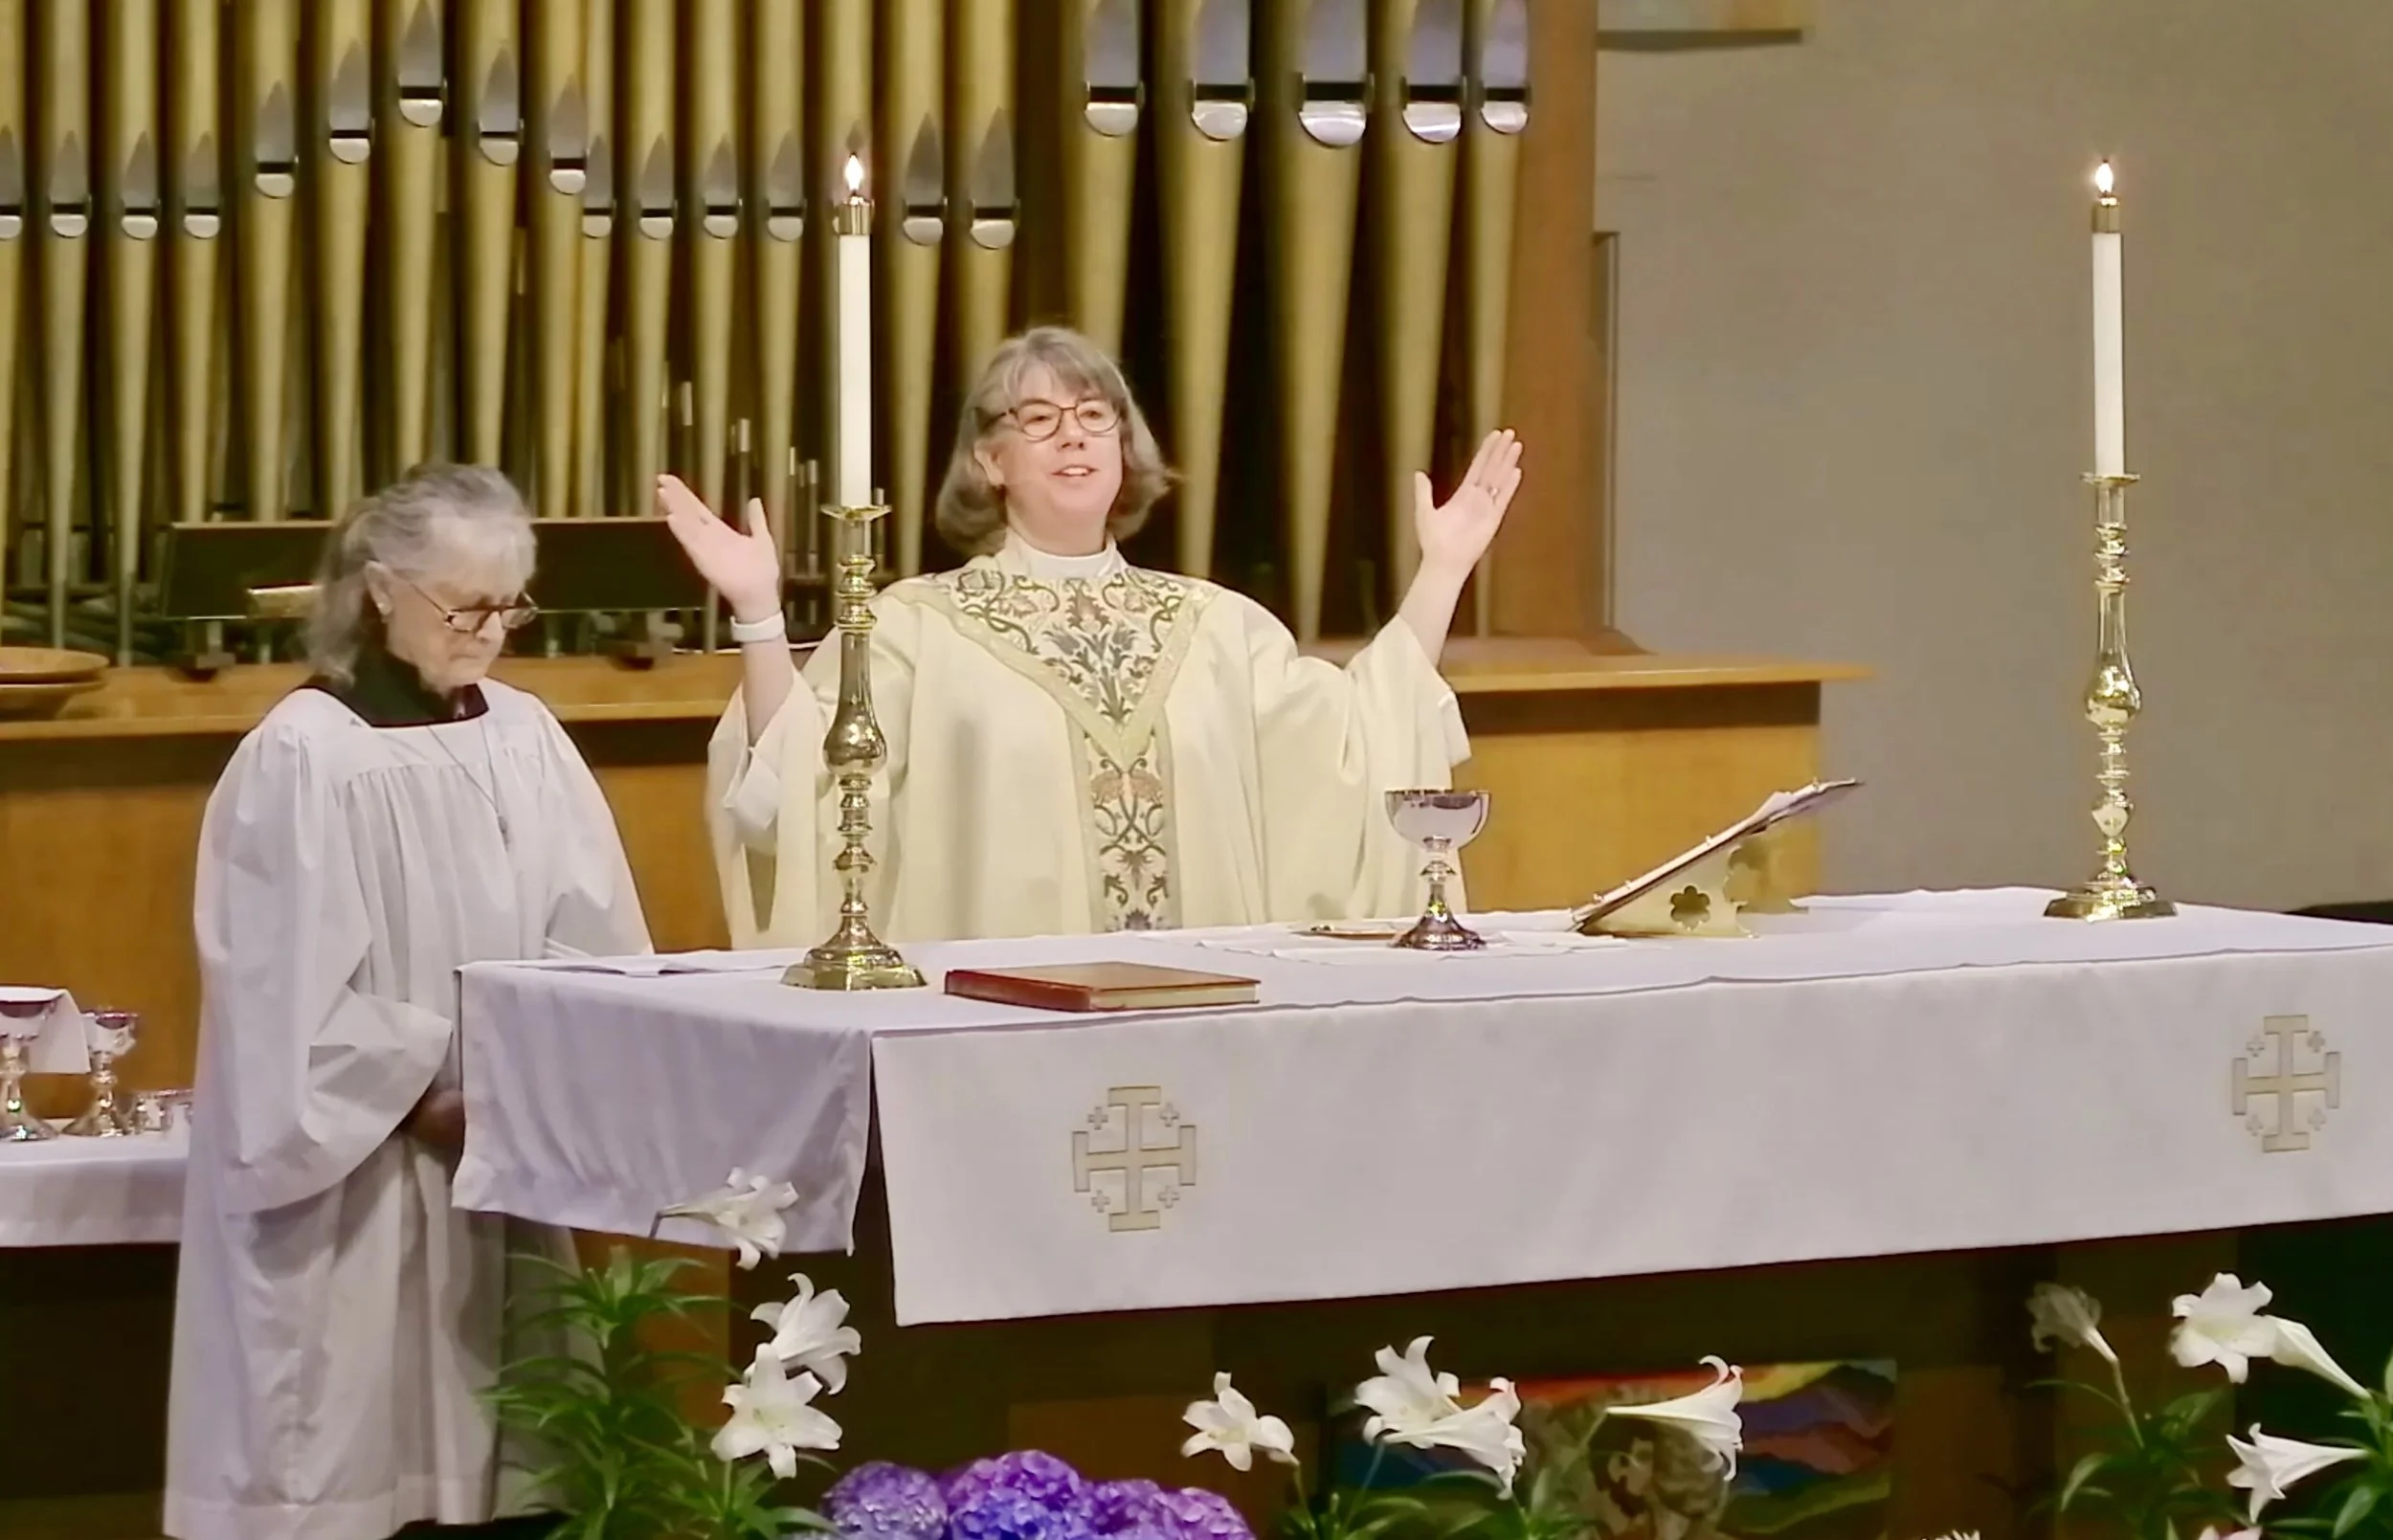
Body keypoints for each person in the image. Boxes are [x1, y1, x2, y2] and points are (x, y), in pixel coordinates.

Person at [664, 324, 1522, 945]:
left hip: (1198, 1031)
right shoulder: (913, 629)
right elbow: (800, 786)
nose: (1072, 432)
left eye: (1094, 414)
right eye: (1036, 419)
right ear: (988, 462)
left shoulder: (1217, 626)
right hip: (999, 1037)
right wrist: (759, 614)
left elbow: (1361, 741)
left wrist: (1441, 569)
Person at [166, 465, 651, 1540]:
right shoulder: (305, 755)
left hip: (502, 1161)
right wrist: (429, 1091)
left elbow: (595, 933)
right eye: (463, 604)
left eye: (508, 604)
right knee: (353, 1446)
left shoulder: (524, 736)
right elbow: (277, 992)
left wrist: (539, 1078)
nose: (487, 629)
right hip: (361, 1178)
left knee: (510, 1459)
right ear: (381, 591)